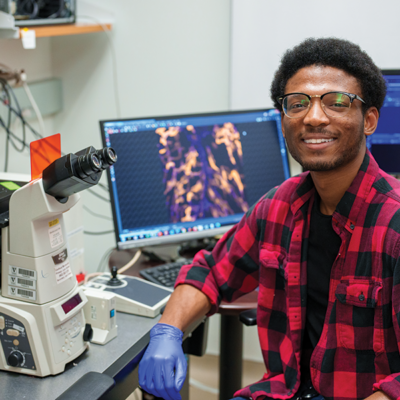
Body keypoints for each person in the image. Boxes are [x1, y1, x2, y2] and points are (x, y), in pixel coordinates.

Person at [138, 37, 400, 400]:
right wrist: (167, 331)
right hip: (281, 392)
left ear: (369, 119)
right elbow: (209, 271)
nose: (314, 117)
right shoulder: (278, 207)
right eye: (297, 104)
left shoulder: (394, 226)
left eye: (337, 102)